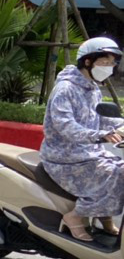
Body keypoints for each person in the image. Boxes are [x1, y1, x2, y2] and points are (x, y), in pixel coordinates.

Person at [40, 36, 124, 241]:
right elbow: (65, 127)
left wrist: (120, 125)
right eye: (104, 62)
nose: (109, 67)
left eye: (112, 63)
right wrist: (100, 135)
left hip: (89, 154)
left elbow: (99, 119)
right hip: (64, 158)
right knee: (115, 175)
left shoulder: (92, 88)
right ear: (88, 61)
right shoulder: (65, 89)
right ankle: (74, 217)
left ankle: (104, 215)